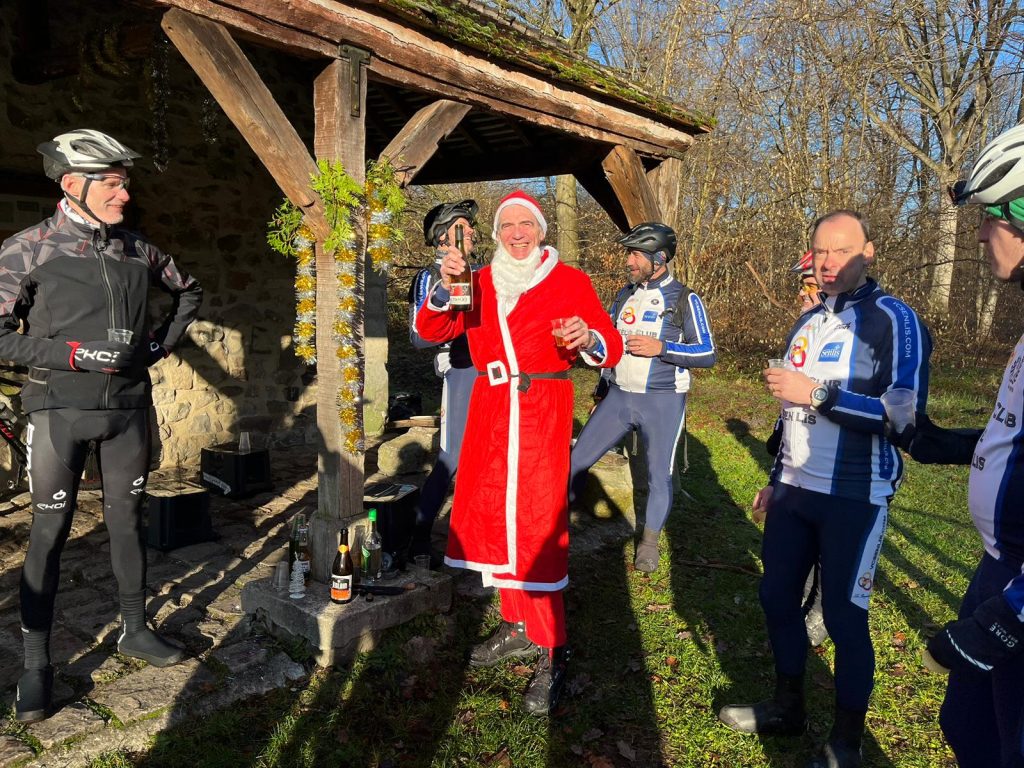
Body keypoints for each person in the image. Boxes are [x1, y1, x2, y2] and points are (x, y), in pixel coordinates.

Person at [0, 129, 203, 723]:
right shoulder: (27, 249)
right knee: (49, 532)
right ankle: (36, 667)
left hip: (127, 411)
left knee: (128, 523)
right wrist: (72, 355)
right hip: (57, 411)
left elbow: (190, 293)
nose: (124, 193)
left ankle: (135, 630)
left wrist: (157, 348)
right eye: (112, 183)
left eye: (124, 182)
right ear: (72, 184)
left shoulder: (139, 251)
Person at [718, 210, 931, 768]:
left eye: (843, 250)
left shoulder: (894, 319)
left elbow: (904, 418)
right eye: (820, 252)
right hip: (794, 493)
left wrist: (818, 394)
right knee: (775, 597)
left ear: (869, 252)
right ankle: (788, 707)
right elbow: (790, 414)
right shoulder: (807, 323)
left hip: (855, 496)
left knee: (842, 617)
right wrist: (776, 478)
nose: (829, 262)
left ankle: (846, 743)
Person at [414, 189, 623, 715]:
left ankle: (553, 650)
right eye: (507, 225)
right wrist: (442, 289)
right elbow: (430, 329)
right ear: (496, 234)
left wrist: (588, 337)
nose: (516, 233)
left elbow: (611, 345)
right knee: (496, 520)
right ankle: (517, 625)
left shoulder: (569, 280)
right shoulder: (479, 281)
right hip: (490, 409)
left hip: (540, 408)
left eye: (525, 223)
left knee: (535, 525)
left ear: (541, 229)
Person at [895, 123, 1024, 767]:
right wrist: (945, 444)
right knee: (968, 728)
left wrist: (1009, 617)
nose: (979, 236)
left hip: (1017, 589)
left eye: (989, 218)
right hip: (999, 565)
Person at [568, 222, 716, 572]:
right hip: (619, 397)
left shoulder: (685, 298)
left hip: (662, 400)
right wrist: (602, 389)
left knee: (657, 476)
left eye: (636, 255)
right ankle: (558, 525)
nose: (629, 261)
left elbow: (707, 353)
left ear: (659, 258)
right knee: (576, 461)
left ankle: (648, 543)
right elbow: (609, 344)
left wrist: (661, 348)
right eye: (629, 254)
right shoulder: (624, 295)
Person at [406, 200, 479, 562]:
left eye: (471, 226)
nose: (472, 231)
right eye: (462, 227)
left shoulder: (481, 272)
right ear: (442, 237)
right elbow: (418, 337)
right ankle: (419, 536)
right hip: (461, 370)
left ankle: (476, 536)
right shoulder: (428, 275)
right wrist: (444, 292)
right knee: (452, 457)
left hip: (493, 372)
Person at [764, 250, 829, 647]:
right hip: (796, 453)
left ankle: (822, 609)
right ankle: (803, 601)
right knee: (799, 536)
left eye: (809, 286)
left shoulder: (859, 329)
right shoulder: (803, 325)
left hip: (837, 461)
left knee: (828, 542)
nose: (802, 294)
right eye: (801, 286)